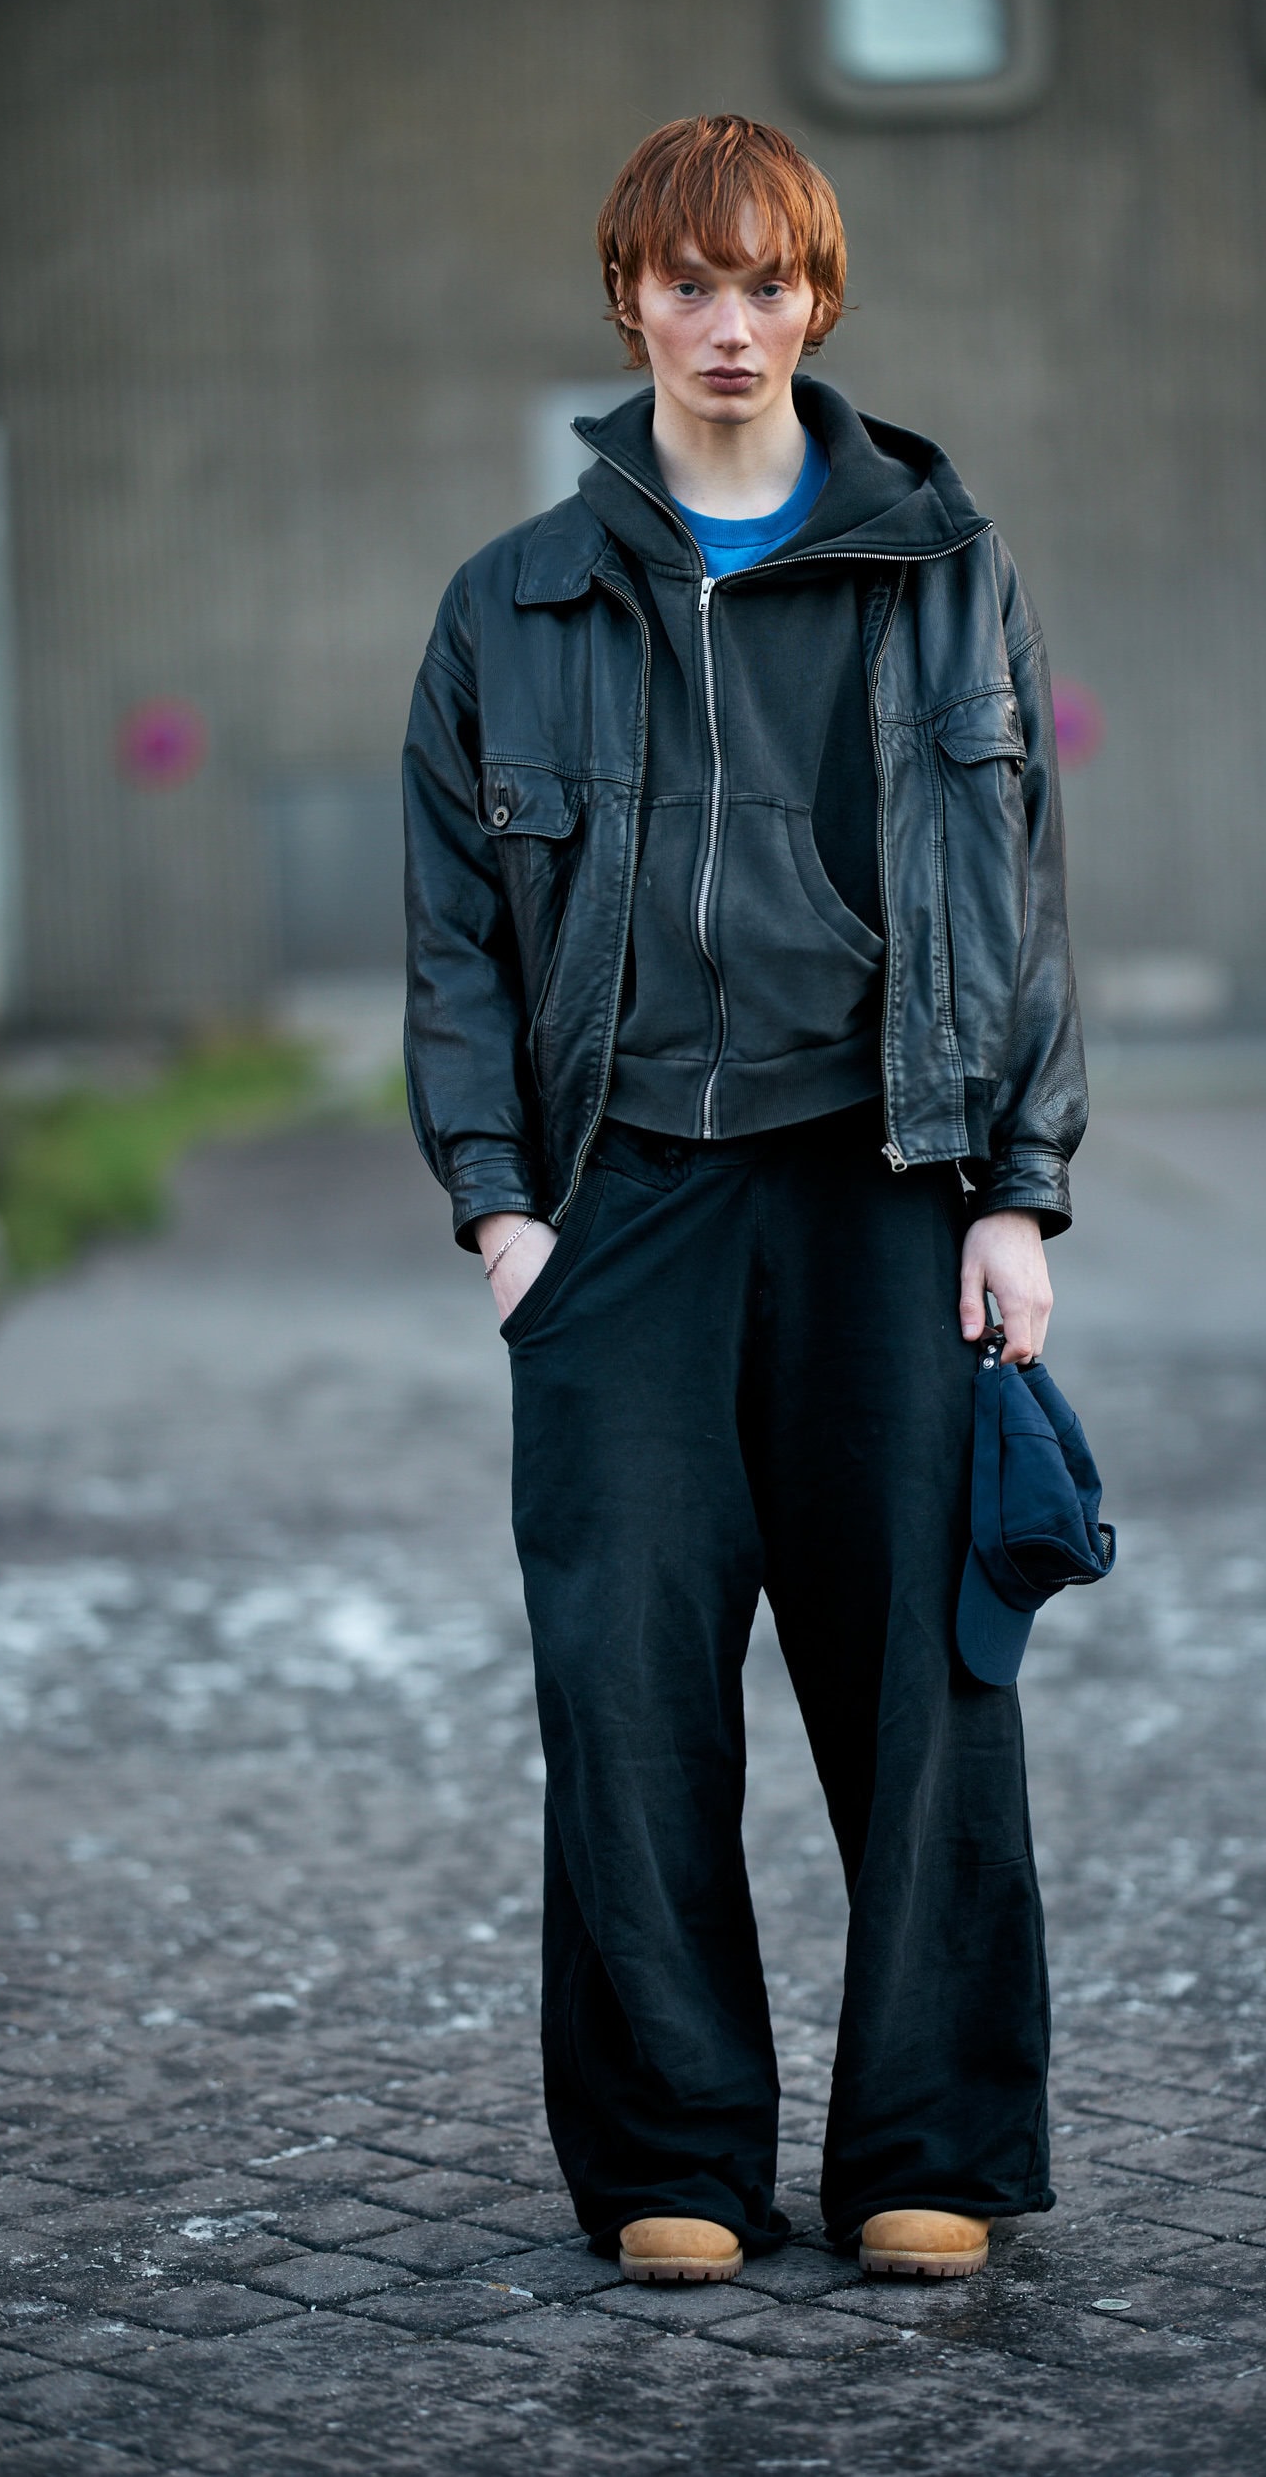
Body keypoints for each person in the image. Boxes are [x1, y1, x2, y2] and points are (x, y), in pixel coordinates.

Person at [403, 114, 1086, 2286]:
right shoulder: (511, 602)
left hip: (887, 1181)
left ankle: (931, 2145)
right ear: (629, 300)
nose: (729, 322)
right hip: (618, 1209)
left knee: (924, 1691)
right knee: (624, 1694)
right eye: (688, 282)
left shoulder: (944, 566)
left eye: (767, 282)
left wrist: (1017, 1194)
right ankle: (673, 2153)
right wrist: (504, 1212)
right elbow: (451, 941)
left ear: (818, 300)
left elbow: (1021, 896)